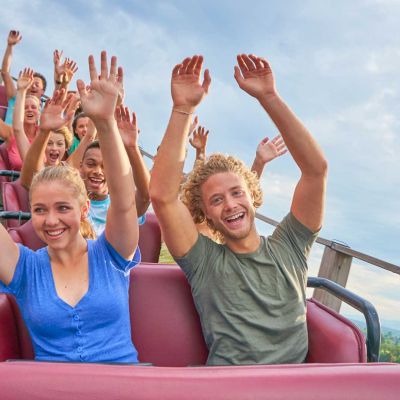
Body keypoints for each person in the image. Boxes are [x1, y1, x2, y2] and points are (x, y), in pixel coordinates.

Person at [150, 54, 327, 366]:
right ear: (206, 215)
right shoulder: (203, 260)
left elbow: (315, 170)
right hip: (230, 387)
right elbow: (163, 196)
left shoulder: (291, 245)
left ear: (252, 195)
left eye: (236, 193)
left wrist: (268, 96)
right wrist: (183, 109)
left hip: (293, 386)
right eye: (217, 200)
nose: (230, 204)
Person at [0, 51, 141, 363]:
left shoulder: (112, 255)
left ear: (84, 209)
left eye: (62, 208)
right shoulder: (24, 268)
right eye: (39, 210)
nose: (50, 221)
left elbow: (124, 196)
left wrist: (105, 123)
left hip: (124, 385)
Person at [1, 30, 47, 125]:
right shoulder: (15, 97)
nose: (33, 86)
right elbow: (5, 72)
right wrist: (10, 46)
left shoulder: (45, 111)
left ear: (43, 91)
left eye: (36, 84)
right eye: (30, 83)